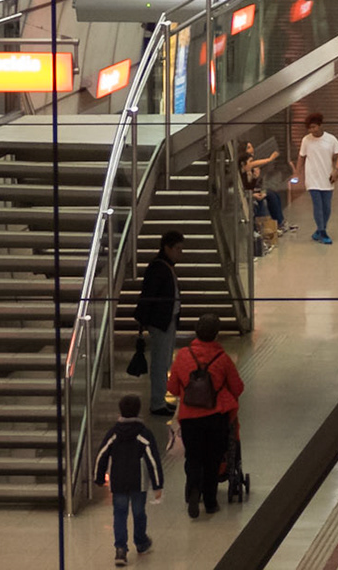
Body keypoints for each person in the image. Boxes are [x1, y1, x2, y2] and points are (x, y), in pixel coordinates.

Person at [167, 313, 244, 519]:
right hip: (216, 418)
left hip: (189, 417)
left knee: (193, 457)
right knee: (212, 459)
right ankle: (210, 502)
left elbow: (172, 388)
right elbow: (238, 387)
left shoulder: (183, 356)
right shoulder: (223, 359)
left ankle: (193, 489)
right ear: (216, 335)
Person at [93, 392, 164, 565]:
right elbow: (152, 460)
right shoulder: (144, 434)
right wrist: (157, 484)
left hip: (118, 481)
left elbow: (102, 455)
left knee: (119, 514)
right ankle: (141, 542)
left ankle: (120, 550)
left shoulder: (114, 433)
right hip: (137, 482)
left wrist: (99, 477)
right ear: (138, 411)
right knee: (139, 513)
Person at [134, 231, 184, 417]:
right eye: (177, 249)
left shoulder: (164, 267)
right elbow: (150, 295)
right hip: (161, 321)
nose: (180, 253)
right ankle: (157, 402)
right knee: (160, 362)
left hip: (167, 320)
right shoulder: (159, 268)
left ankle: (160, 399)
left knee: (164, 362)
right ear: (167, 248)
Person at [299, 112, 338, 244]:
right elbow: (301, 156)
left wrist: (336, 170)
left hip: (327, 177)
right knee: (317, 205)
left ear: (320, 125)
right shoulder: (306, 140)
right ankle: (322, 231)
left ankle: (319, 230)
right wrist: (297, 172)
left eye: (314, 127)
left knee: (327, 207)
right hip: (312, 178)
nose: (312, 130)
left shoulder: (331, 139)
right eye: (310, 128)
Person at [242, 140, 287, 234]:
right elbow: (245, 189)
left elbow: (251, 186)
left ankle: (278, 222)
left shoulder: (249, 166)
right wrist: (270, 159)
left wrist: (255, 179)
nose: (252, 149)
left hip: (254, 191)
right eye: (249, 147)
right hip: (249, 195)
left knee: (273, 194)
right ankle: (266, 227)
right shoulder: (243, 168)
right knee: (266, 198)